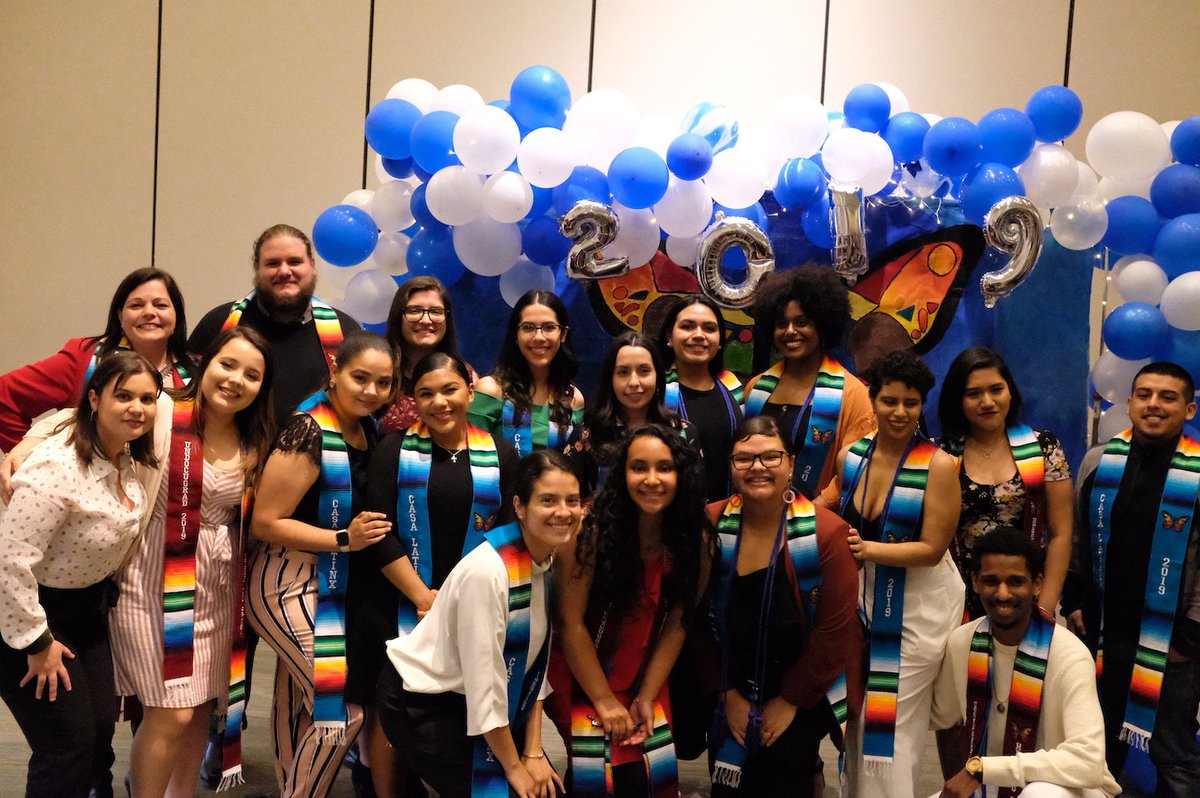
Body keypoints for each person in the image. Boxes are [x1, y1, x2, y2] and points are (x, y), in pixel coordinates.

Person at [108, 328, 275, 797]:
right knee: (172, 710)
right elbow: (76, 418)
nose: (235, 379)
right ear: (206, 363)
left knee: (199, 708)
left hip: (218, 588)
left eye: (252, 374)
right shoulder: (162, 410)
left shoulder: (255, 436)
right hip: (152, 580)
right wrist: (19, 447)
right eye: (227, 364)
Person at [0, 352, 161, 798]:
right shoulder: (56, 466)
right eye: (123, 395)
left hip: (86, 615)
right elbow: (10, 563)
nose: (137, 407)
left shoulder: (125, 459)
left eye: (148, 399)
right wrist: (37, 644)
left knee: (97, 737)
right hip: (30, 617)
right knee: (65, 747)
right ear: (94, 398)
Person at [376, 450, 580, 798]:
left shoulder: (544, 558)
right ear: (519, 506)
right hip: (423, 703)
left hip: (477, 699)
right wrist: (515, 769)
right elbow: (485, 685)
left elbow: (534, 664)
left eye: (572, 500)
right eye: (548, 500)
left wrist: (533, 750)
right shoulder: (489, 571)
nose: (563, 512)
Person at [247, 330, 396, 798]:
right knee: (341, 710)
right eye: (360, 378)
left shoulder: (365, 427)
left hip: (327, 582)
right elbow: (266, 523)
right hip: (283, 582)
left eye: (383, 382)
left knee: (300, 706)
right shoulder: (309, 428)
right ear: (335, 370)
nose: (371, 390)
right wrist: (343, 539)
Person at [362, 351, 519, 796]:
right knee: (395, 709)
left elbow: (508, 534)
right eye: (426, 393)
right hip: (404, 597)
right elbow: (378, 529)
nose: (439, 402)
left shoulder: (501, 454)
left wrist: (459, 602)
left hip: (474, 605)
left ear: (470, 392)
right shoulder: (393, 449)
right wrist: (423, 596)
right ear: (414, 399)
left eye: (449, 390)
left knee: (459, 706)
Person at [820, 348, 963, 798]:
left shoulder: (938, 465)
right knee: (857, 719)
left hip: (921, 608)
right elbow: (828, 502)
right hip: (863, 601)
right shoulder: (852, 455)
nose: (900, 412)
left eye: (911, 402)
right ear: (873, 400)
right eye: (890, 401)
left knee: (894, 726)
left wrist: (867, 548)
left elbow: (933, 549)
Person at [699, 415, 862, 797]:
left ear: (791, 462)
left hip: (800, 693)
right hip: (731, 687)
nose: (757, 467)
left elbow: (834, 631)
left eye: (770, 457)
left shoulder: (826, 534)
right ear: (731, 465)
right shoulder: (709, 524)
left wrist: (791, 700)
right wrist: (728, 694)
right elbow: (692, 620)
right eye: (744, 459)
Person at [547, 424, 714, 795]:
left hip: (644, 672)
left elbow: (679, 622)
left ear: (681, 474)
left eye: (664, 468)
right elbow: (570, 624)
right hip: (580, 671)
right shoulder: (587, 532)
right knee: (601, 781)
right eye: (639, 467)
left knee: (652, 778)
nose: (651, 479)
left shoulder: (695, 538)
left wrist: (647, 695)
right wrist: (604, 702)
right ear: (622, 474)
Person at [1062, 361, 1200, 796]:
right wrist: (1075, 602)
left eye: (1167, 397)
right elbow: (1080, 538)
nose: (1153, 405)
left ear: (1189, 410)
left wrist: (1190, 635)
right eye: (1144, 395)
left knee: (1173, 755)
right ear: (1129, 402)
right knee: (1095, 747)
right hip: (1105, 634)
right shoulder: (1099, 461)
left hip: (1173, 642)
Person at [931, 527, 1120, 798]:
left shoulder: (1069, 654)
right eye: (991, 581)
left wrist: (982, 768)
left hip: (1069, 790)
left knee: (1040, 793)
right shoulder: (962, 642)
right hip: (991, 783)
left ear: (1037, 584)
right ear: (974, 581)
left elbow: (1088, 762)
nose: (1003, 594)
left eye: (1016, 581)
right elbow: (945, 721)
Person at [0, 267, 191, 496]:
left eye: (161, 305)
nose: (149, 312)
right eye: (136, 305)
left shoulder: (197, 372)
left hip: (168, 510)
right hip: (87, 505)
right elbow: (5, 398)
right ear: (120, 316)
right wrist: (34, 461)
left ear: (176, 316)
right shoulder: (85, 358)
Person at [937, 347, 1074, 619]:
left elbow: (1061, 534)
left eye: (996, 389)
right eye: (973, 393)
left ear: (1010, 391)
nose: (987, 401)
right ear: (958, 400)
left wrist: (1045, 605)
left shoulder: (1043, 447)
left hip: (1028, 600)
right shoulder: (940, 455)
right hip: (958, 603)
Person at [188, 223, 361, 419]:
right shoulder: (218, 324)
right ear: (256, 267)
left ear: (312, 266)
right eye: (273, 263)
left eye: (295, 262)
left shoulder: (346, 332)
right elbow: (187, 396)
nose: (285, 271)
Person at [743, 265, 875, 499]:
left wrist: (813, 512)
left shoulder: (853, 394)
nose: (790, 331)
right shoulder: (756, 388)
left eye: (801, 322)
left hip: (816, 524)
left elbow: (856, 469)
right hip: (758, 516)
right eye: (782, 324)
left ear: (822, 325)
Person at [564, 331, 686, 497]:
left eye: (644, 371)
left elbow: (693, 501)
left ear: (658, 377)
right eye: (623, 372)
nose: (634, 382)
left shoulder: (682, 433)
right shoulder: (588, 435)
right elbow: (568, 498)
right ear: (610, 379)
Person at [469, 290, 584, 458]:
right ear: (516, 334)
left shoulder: (573, 399)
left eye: (549, 327)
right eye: (528, 328)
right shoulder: (490, 390)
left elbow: (574, 463)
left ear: (563, 334)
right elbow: (471, 461)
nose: (538, 336)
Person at [657, 295, 744, 502]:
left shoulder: (734, 388)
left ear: (720, 341)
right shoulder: (656, 390)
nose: (699, 335)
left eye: (709, 328)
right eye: (687, 327)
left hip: (729, 516)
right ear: (669, 336)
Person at [378, 275, 476, 436]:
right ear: (398, 317)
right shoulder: (380, 371)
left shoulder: (466, 376)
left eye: (435, 311)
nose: (425, 320)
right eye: (415, 310)